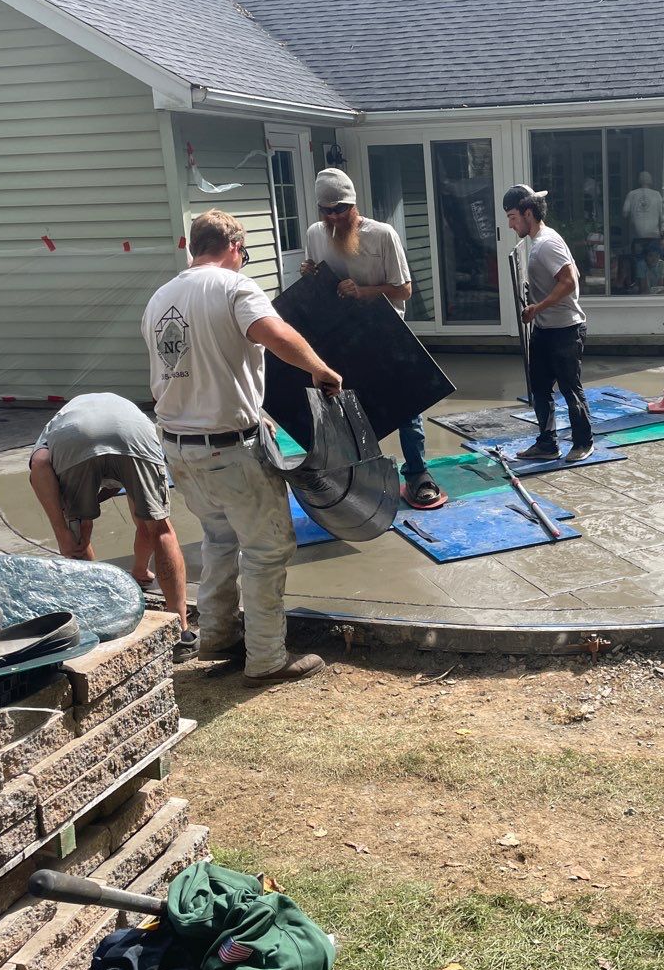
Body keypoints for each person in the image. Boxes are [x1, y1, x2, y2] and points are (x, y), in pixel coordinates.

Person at [143, 209, 341, 686]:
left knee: (219, 540)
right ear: (234, 248)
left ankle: (215, 636)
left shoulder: (159, 299)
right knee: (267, 549)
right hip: (228, 449)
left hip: (179, 449)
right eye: (245, 253)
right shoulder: (234, 287)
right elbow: (272, 334)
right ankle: (268, 657)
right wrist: (319, 369)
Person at [300, 169, 442, 509]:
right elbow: (320, 284)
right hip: (342, 336)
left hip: (386, 333)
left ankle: (418, 473)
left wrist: (365, 291)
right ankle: (355, 478)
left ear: (354, 203)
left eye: (340, 208)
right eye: (326, 210)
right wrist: (309, 276)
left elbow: (405, 289)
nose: (333, 216)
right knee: (344, 409)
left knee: (406, 406)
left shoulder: (382, 235)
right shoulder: (316, 234)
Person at [28, 392, 196, 659]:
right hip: (132, 433)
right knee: (159, 528)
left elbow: (39, 463)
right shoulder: (123, 410)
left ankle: (99, 620)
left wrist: (63, 530)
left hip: (75, 439)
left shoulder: (56, 426)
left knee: (78, 534)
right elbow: (144, 525)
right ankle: (182, 633)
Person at [502, 184, 593, 463]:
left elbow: (570, 280)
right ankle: (546, 444)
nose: (510, 224)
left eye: (513, 217)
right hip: (544, 329)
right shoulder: (540, 241)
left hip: (565, 330)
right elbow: (572, 271)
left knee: (569, 388)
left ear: (528, 213)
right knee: (539, 388)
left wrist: (537, 306)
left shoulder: (546, 243)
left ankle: (582, 442)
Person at [622, 171, 664, 293]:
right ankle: (652, 289)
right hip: (654, 235)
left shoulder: (632, 194)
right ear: (650, 180)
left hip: (638, 237)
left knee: (639, 262)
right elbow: (662, 217)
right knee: (655, 261)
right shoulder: (657, 195)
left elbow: (625, 212)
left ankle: (638, 285)